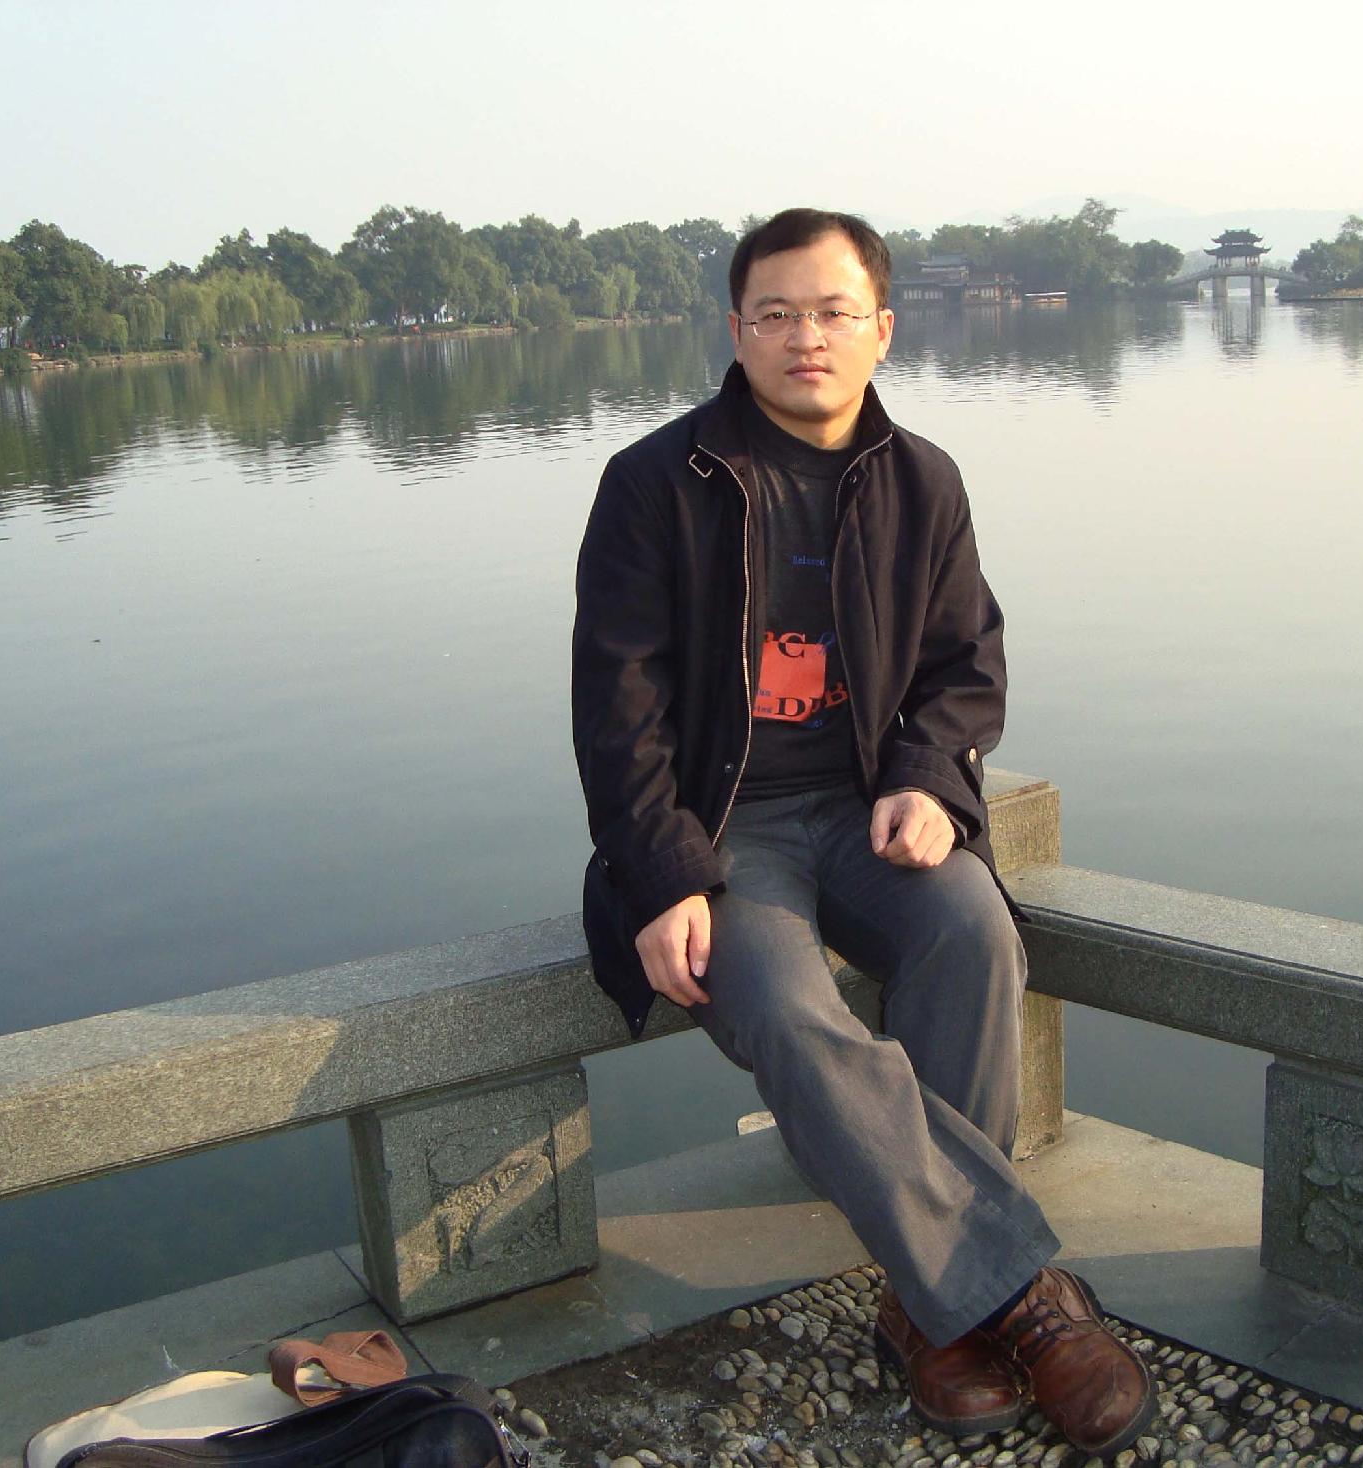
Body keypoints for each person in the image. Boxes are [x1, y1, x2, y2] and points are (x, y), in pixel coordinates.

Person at [570, 208, 1155, 1457]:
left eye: (833, 311)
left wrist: (928, 778)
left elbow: (963, 662)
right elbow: (617, 710)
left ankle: (926, 1299)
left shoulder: (921, 481)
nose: (806, 337)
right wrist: (662, 876)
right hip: (724, 830)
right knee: (784, 1008)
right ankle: (1008, 1297)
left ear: (882, 328)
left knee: (973, 936)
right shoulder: (654, 484)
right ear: (736, 330)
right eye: (775, 313)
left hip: (865, 807)